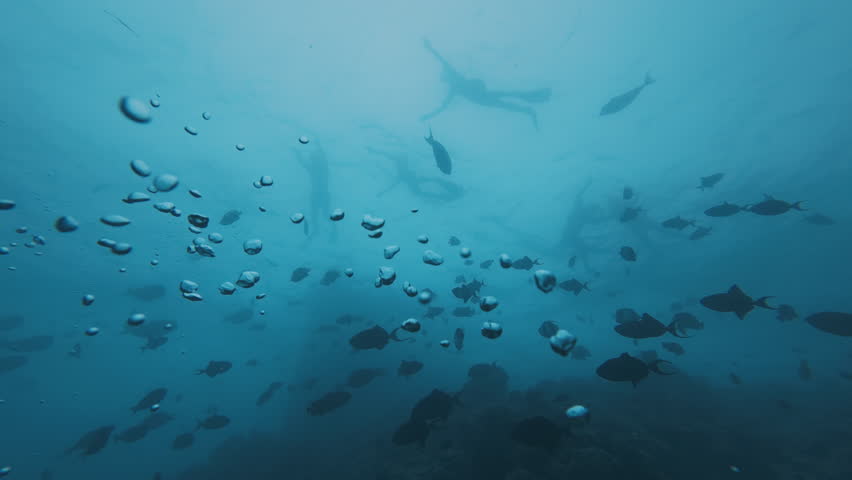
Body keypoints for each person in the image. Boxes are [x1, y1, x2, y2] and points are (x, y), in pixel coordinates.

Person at [421, 38, 551, 129]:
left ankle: (532, 104)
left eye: (445, 78)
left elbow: (441, 60)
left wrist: (430, 48)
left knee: (506, 101)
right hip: (482, 96)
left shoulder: (454, 84)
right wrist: (430, 115)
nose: (447, 78)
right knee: (507, 99)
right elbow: (444, 106)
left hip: (482, 97)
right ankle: (531, 105)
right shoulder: (454, 84)